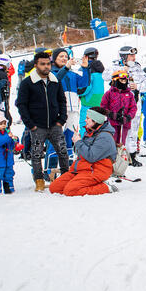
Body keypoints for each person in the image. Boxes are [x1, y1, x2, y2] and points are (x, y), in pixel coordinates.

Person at [16, 50, 71, 192]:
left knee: (63, 152)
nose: (46, 67)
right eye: (42, 64)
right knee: (36, 154)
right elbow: (21, 104)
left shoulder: (55, 80)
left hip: (55, 124)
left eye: (48, 64)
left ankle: (66, 176)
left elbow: (62, 101)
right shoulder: (27, 83)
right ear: (36, 65)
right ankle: (39, 180)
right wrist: (30, 124)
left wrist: (61, 119)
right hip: (37, 126)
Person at [49, 107, 117, 196]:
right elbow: (80, 153)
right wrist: (77, 142)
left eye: (88, 118)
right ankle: (86, 184)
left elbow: (91, 156)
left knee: (70, 191)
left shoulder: (105, 137)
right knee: (55, 188)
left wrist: (78, 142)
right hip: (81, 168)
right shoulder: (90, 132)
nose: (85, 120)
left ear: (95, 120)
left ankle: (105, 187)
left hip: (95, 170)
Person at [51, 47, 89, 143]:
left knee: (71, 136)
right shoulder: (51, 73)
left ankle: (69, 155)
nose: (64, 58)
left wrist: (85, 68)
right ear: (54, 59)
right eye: (61, 56)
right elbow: (55, 80)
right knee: (56, 139)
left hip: (73, 109)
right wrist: (66, 67)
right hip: (59, 110)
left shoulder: (72, 73)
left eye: (66, 56)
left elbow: (84, 83)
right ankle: (53, 157)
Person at [101, 69, 138, 152]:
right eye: (121, 80)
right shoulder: (109, 93)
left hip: (124, 123)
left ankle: (121, 158)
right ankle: (111, 158)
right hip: (112, 124)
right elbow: (103, 106)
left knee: (122, 142)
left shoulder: (129, 94)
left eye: (125, 80)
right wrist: (111, 114)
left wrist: (128, 117)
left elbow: (133, 108)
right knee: (112, 141)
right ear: (115, 80)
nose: (124, 82)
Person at [78, 47, 105, 135]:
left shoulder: (88, 70)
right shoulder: (99, 70)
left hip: (88, 103)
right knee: (96, 125)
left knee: (85, 125)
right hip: (98, 102)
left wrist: (78, 92)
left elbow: (86, 88)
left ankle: (84, 143)